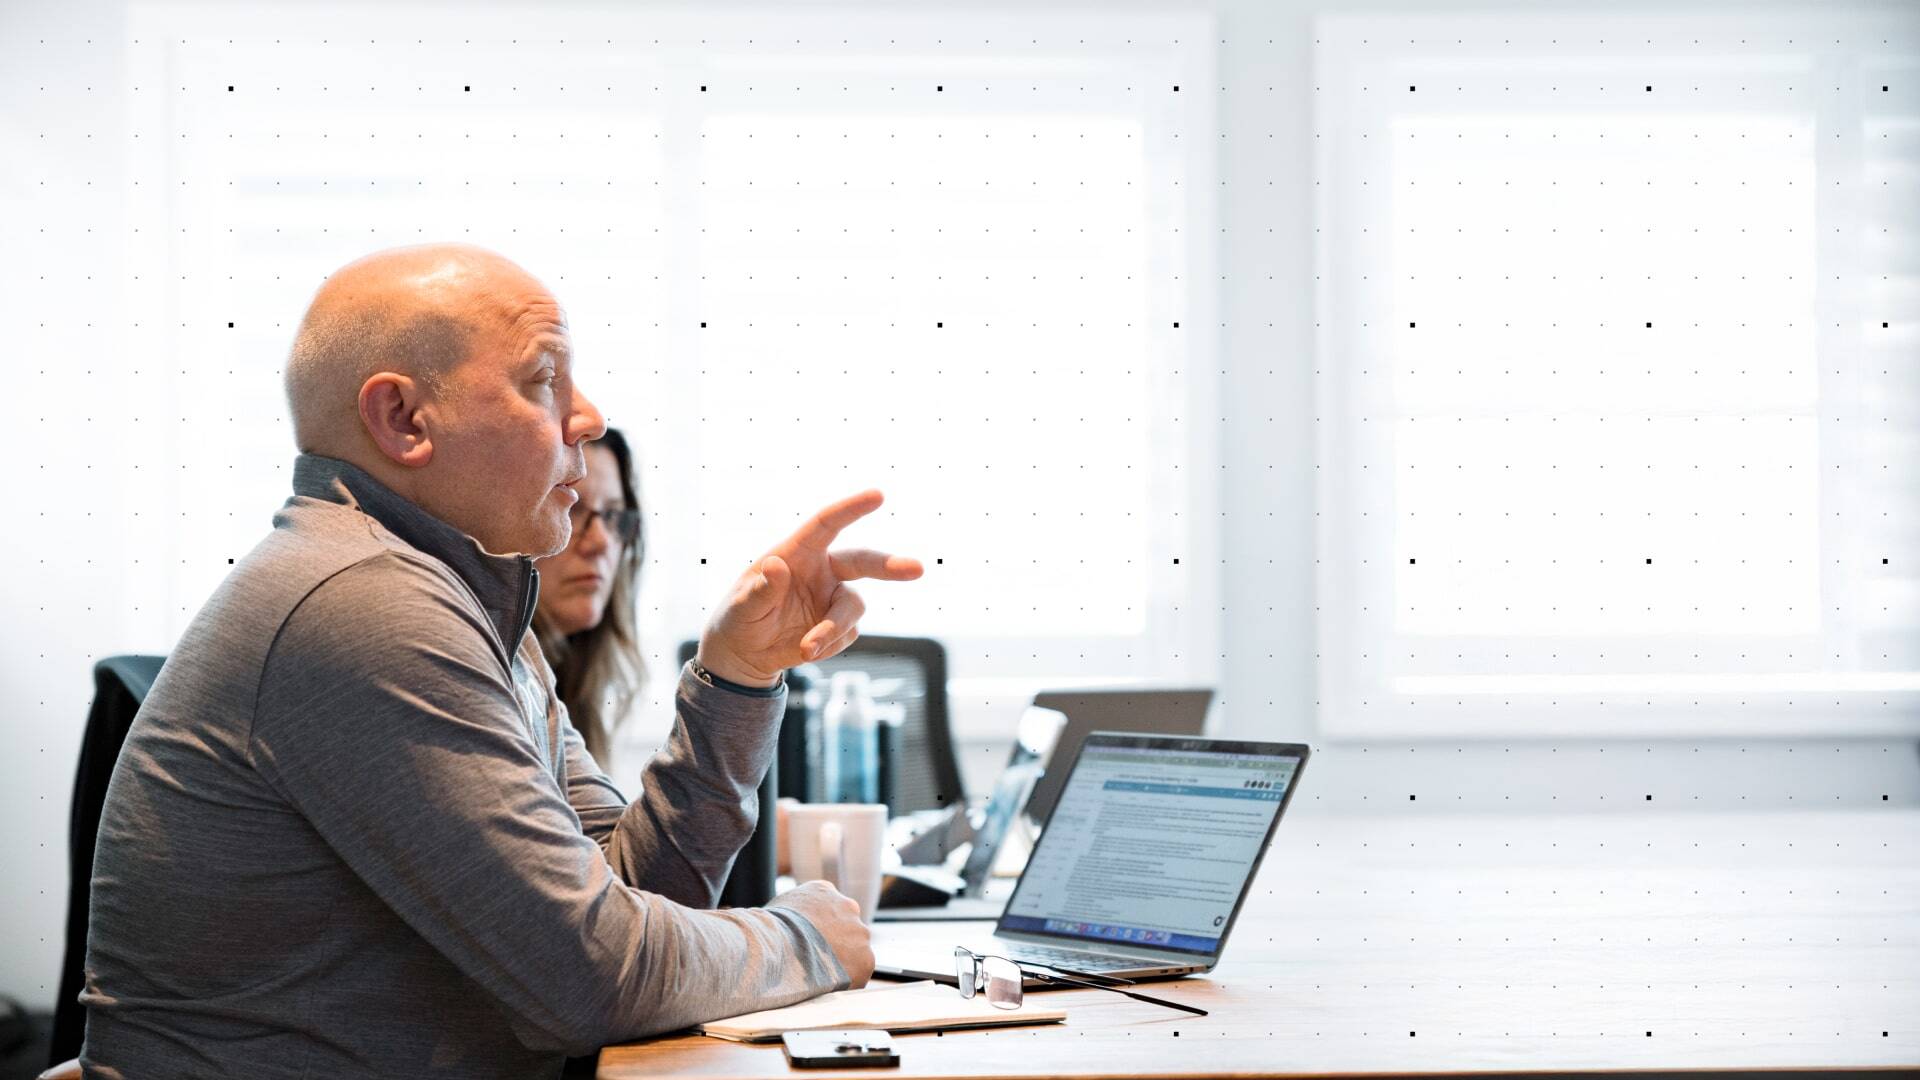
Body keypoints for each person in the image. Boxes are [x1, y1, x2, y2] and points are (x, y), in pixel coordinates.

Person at [78, 243, 922, 1080]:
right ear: (405, 420)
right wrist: (805, 938)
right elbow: (595, 977)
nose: (587, 418)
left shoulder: (470, 606)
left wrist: (735, 678)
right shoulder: (366, 604)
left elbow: (634, 900)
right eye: (544, 378)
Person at [530, 427, 647, 767]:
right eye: (572, 509)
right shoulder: (498, 682)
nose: (601, 542)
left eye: (612, 516)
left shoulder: (579, 686)